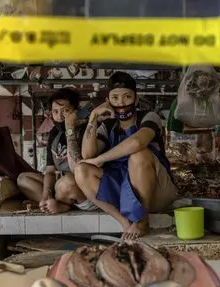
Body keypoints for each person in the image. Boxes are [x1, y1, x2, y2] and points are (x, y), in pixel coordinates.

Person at [75, 71, 178, 240]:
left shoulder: (149, 116)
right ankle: (124, 223)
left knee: (139, 154)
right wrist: (93, 117)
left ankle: (142, 218)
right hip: (122, 191)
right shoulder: (107, 126)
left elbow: (137, 142)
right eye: (115, 98)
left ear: (136, 99)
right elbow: (87, 154)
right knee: (81, 170)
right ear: (108, 101)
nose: (121, 103)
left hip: (157, 191)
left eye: (127, 97)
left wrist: (100, 159)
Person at [17, 88, 99, 214]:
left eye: (65, 111)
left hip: (82, 188)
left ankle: (62, 205)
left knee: (66, 183)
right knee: (23, 179)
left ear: (76, 110)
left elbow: (78, 169)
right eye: (55, 111)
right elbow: (50, 171)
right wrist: (46, 194)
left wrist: (70, 128)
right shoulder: (54, 133)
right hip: (60, 184)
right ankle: (51, 202)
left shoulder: (86, 130)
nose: (59, 116)